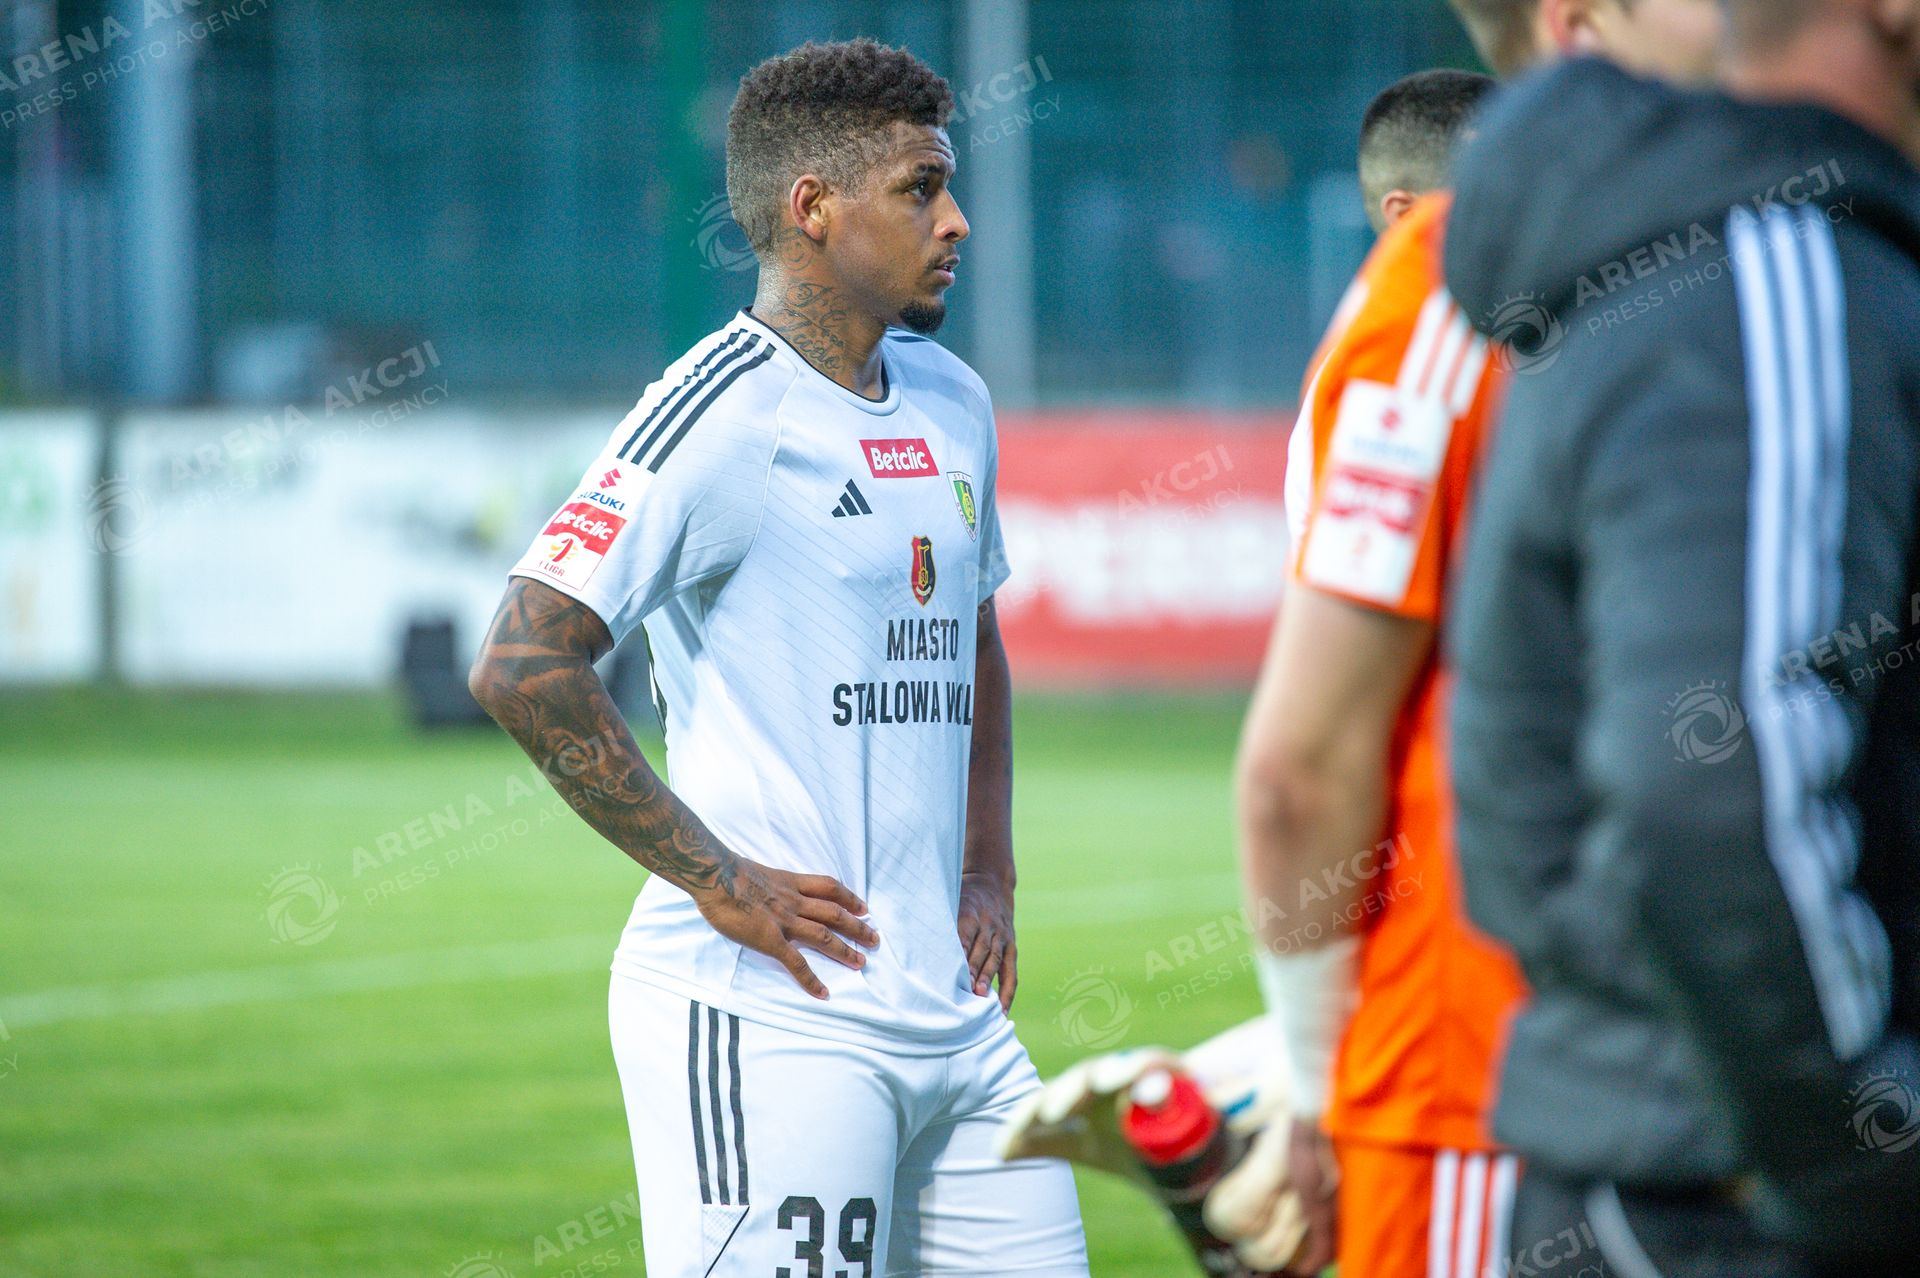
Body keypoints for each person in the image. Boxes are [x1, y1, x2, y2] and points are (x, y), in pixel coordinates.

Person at [467, 39, 1089, 1278]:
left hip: (956, 1024)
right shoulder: (719, 410)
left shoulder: (953, 398)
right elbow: (523, 659)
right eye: (921, 188)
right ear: (813, 208)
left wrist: (989, 871)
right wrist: (716, 876)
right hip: (773, 1011)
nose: (956, 221)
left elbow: (973, 636)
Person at [1237, 5, 1722, 1277]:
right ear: (1580, 28)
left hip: (1713, 1069)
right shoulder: (1461, 285)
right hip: (1487, 1077)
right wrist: (1314, 1076)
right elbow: (1300, 764)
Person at [1439, 0, 1920, 1273]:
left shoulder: (1751, 251)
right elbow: (1712, 786)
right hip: (1727, 1205)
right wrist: (1866, 1167)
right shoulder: (1775, 270)